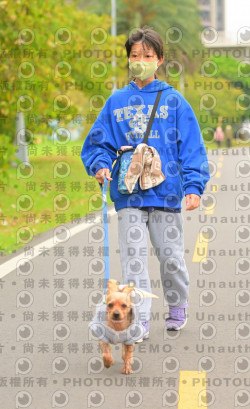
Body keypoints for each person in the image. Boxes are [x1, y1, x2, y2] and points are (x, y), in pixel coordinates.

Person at [81, 28, 210, 338]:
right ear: (128, 59)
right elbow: (98, 143)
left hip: (166, 193)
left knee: (171, 258)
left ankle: (177, 304)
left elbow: (191, 147)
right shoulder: (116, 101)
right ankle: (140, 320)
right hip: (129, 193)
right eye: (135, 55)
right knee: (134, 262)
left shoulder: (174, 101)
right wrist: (100, 165)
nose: (140, 60)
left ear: (160, 59)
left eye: (147, 55)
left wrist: (193, 187)